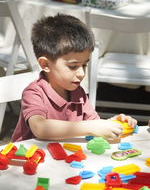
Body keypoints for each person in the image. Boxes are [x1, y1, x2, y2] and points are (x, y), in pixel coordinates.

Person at [12, 14, 137, 143]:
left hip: (65, 158)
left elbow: (93, 124)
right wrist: (90, 127)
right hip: (28, 158)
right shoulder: (34, 93)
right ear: (45, 64)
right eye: (73, 66)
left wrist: (112, 124)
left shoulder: (78, 92)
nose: (81, 73)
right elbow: (40, 128)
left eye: (84, 65)